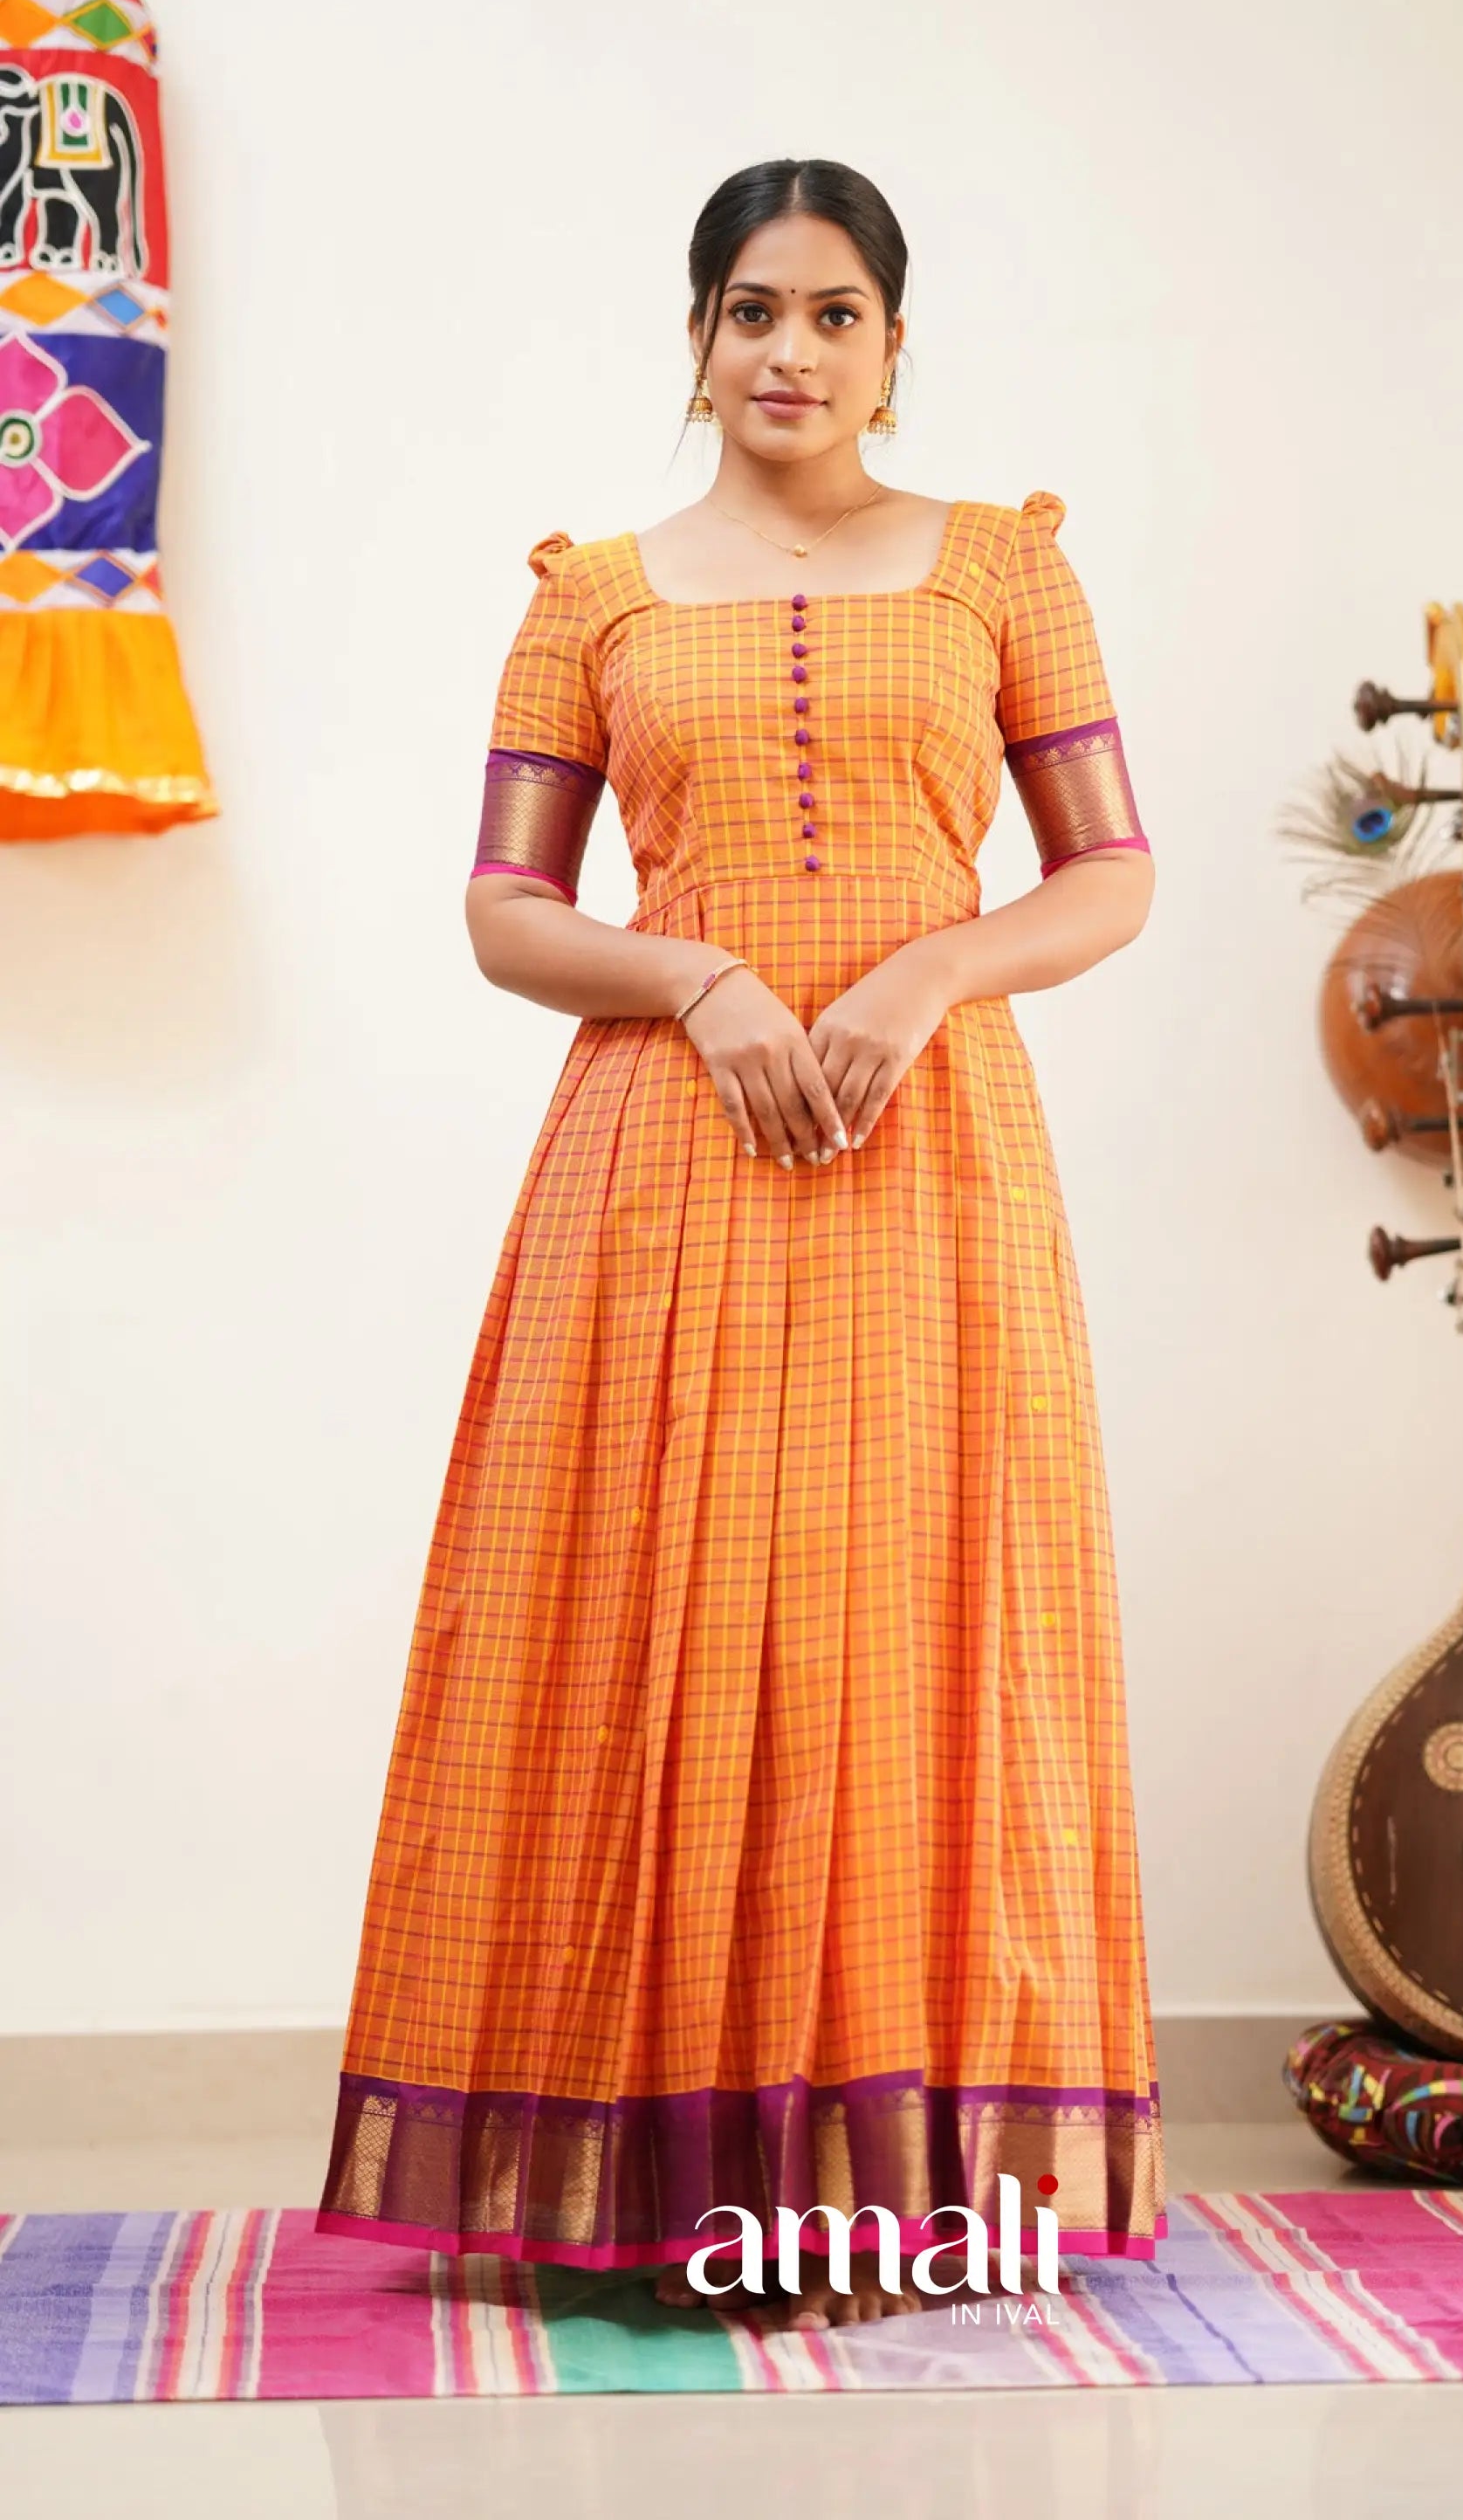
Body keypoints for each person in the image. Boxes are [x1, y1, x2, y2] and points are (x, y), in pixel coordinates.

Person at [314, 156, 1164, 2333]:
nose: (789, 350)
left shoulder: (1002, 571)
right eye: (750, 310)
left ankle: (875, 2191)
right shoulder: (591, 598)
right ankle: (666, 2178)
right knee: (651, 1619)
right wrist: (695, 981)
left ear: (894, 346)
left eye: (833, 313)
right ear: (693, 339)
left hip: (924, 1152)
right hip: (660, 1162)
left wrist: (929, 971)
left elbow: (1110, 873)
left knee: (901, 1620)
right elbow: (506, 911)